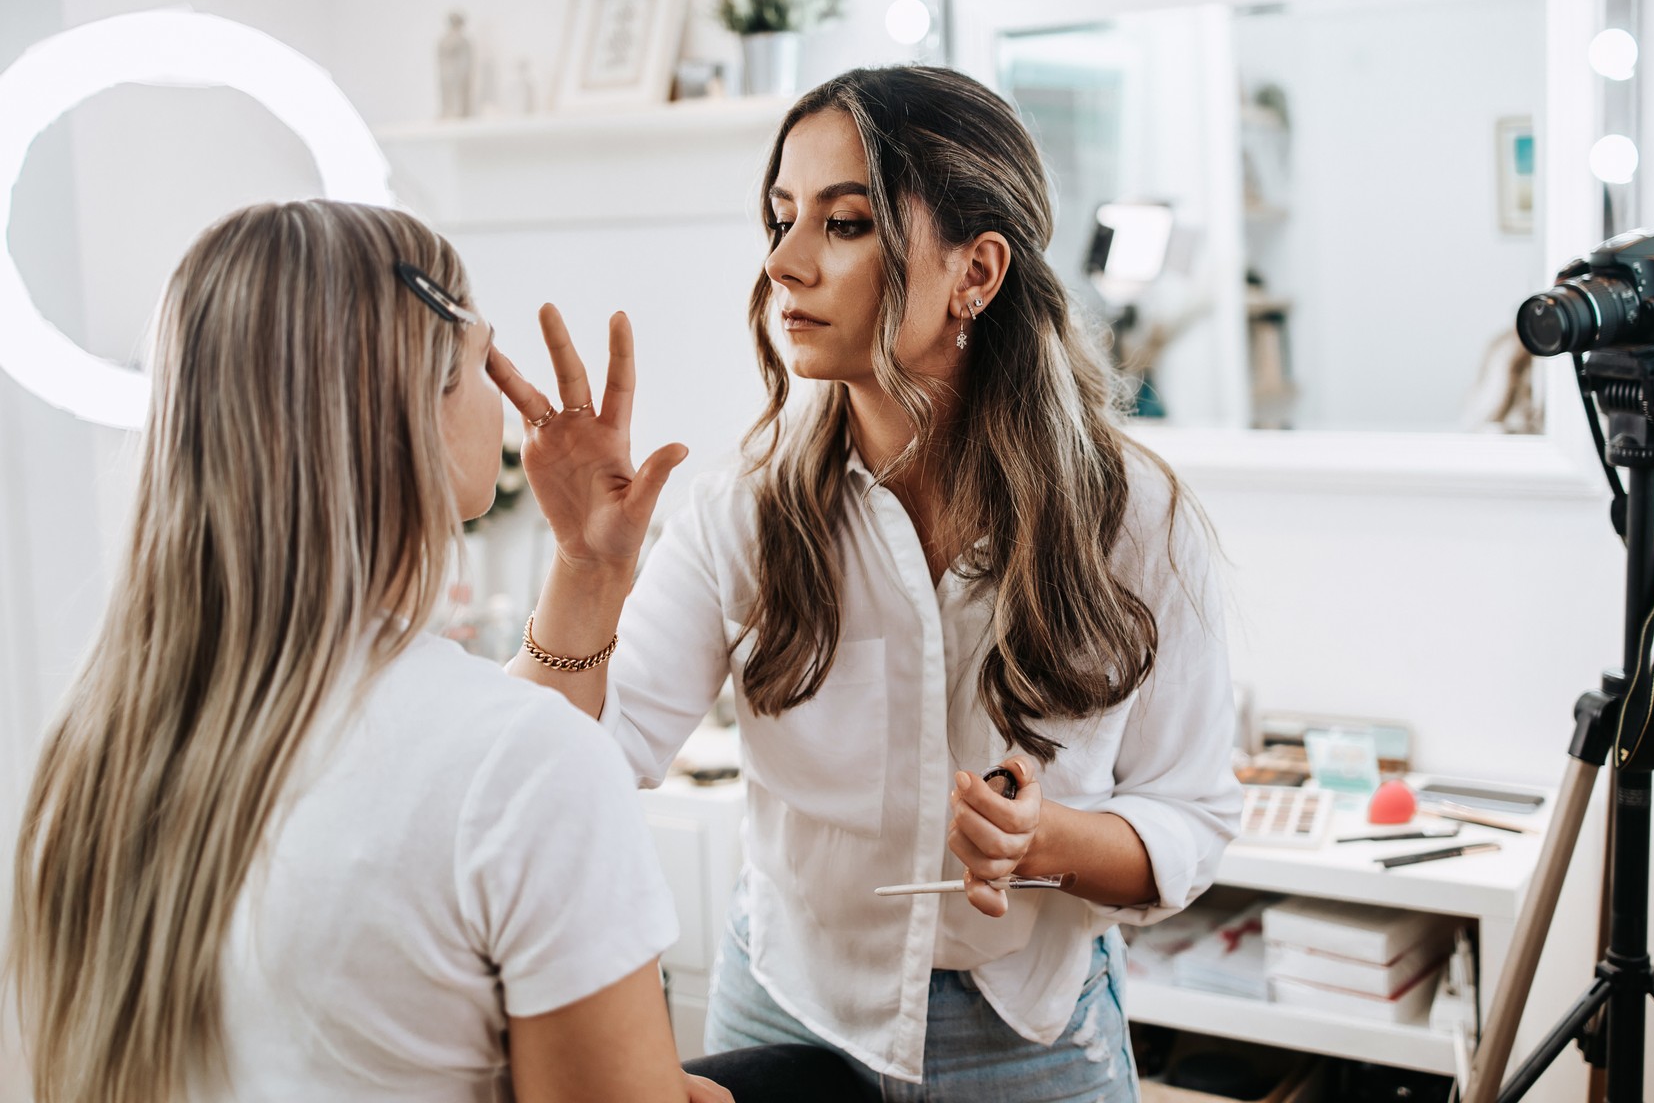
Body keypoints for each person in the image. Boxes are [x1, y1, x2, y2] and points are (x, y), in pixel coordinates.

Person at [496, 66, 1241, 1100]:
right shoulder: (745, 506)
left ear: (976, 272)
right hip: (786, 1008)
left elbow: (1192, 817)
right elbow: (554, 776)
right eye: (779, 217)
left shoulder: (1135, 519)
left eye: (843, 224)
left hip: (1026, 1035)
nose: (785, 261)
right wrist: (584, 569)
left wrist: (1046, 840)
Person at [7, 201, 722, 1103]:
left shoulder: (100, 743)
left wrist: (588, 570)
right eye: (480, 363)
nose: (508, 401)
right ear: (411, 401)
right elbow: (496, 779)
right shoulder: (522, 769)